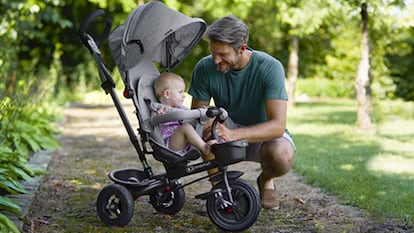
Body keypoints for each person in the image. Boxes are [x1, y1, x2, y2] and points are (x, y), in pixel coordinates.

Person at [188, 15, 296, 209]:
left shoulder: (270, 67)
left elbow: (278, 125)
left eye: (222, 54)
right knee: (202, 128)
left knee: (282, 156)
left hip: (263, 135)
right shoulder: (204, 68)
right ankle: (221, 194)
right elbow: (196, 114)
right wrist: (208, 122)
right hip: (225, 127)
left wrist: (233, 134)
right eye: (213, 53)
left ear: (242, 49)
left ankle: (265, 180)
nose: (216, 60)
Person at [153, 72, 215, 155]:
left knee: (204, 122)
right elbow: (152, 122)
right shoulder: (160, 109)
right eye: (180, 92)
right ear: (167, 94)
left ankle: (216, 143)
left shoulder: (179, 108)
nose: (183, 95)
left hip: (183, 140)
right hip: (170, 144)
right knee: (186, 127)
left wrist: (202, 111)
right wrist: (157, 116)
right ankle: (204, 148)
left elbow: (190, 114)